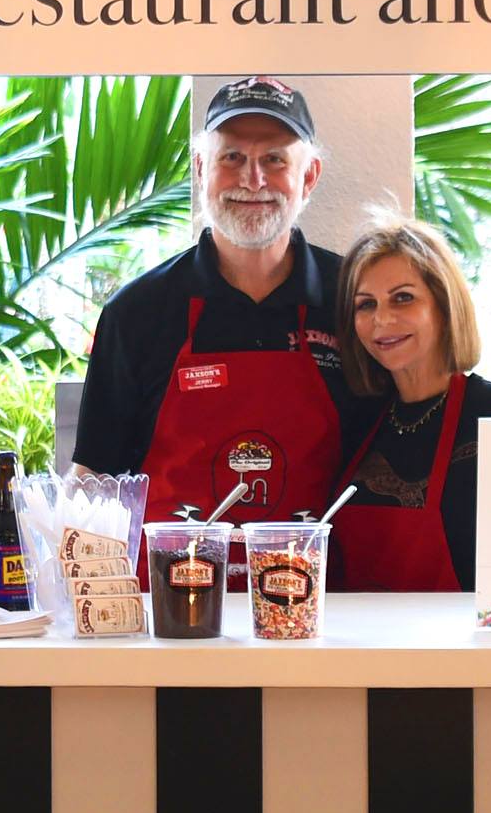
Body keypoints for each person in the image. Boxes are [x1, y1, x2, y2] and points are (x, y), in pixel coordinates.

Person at [72, 76, 377, 520]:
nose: (252, 181)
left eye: (274, 159)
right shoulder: (136, 313)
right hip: (172, 584)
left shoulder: (356, 300)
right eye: (232, 157)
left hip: (319, 586)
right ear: (200, 169)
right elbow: (94, 479)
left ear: (308, 177)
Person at [329, 216, 491, 592]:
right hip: (364, 648)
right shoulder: (358, 422)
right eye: (365, 304)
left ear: (444, 306)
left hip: (472, 650)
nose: (382, 319)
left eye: (403, 298)